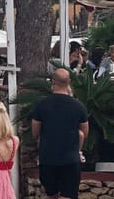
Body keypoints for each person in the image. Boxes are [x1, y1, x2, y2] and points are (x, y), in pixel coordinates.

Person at [31, 68, 88, 199]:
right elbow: (84, 132)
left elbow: (35, 132)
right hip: (71, 160)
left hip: (48, 159)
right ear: (69, 82)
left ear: (53, 82)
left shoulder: (41, 105)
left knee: (52, 195)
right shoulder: (78, 106)